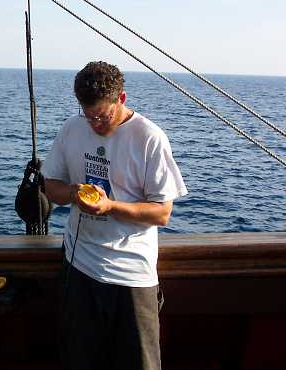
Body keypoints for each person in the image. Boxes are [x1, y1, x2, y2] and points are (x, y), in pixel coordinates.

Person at [42, 61, 187, 370]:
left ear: (121, 99)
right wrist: (73, 194)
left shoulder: (149, 138)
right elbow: (51, 187)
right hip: (79, 267)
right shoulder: (72, 128)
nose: (95, 124)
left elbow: (162, 212)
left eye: (102, 116)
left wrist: (111, 207)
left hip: (132, 275)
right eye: (88, 115)